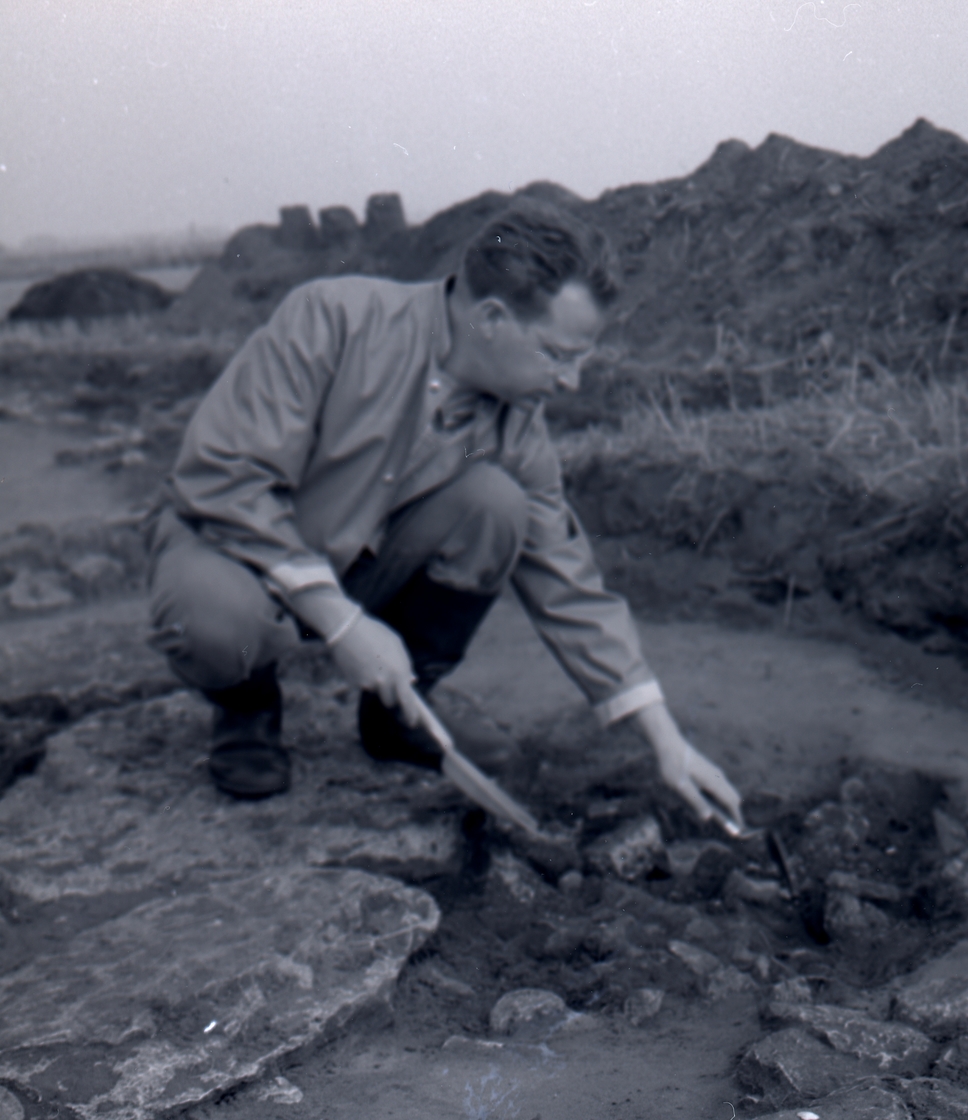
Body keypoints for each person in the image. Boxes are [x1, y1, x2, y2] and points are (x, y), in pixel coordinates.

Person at [145, 199, 743, 829]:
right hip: (234, 552)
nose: (572, 382)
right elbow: (225, 477)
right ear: (490, 317)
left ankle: (401, 714)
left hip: (354, 570)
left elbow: (568, 583)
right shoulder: (334, 319)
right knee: (214, 618)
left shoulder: (516, 426)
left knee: (497, 504)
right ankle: (246, 707)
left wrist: (665, 741)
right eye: (557, 355)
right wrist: (344, 627)